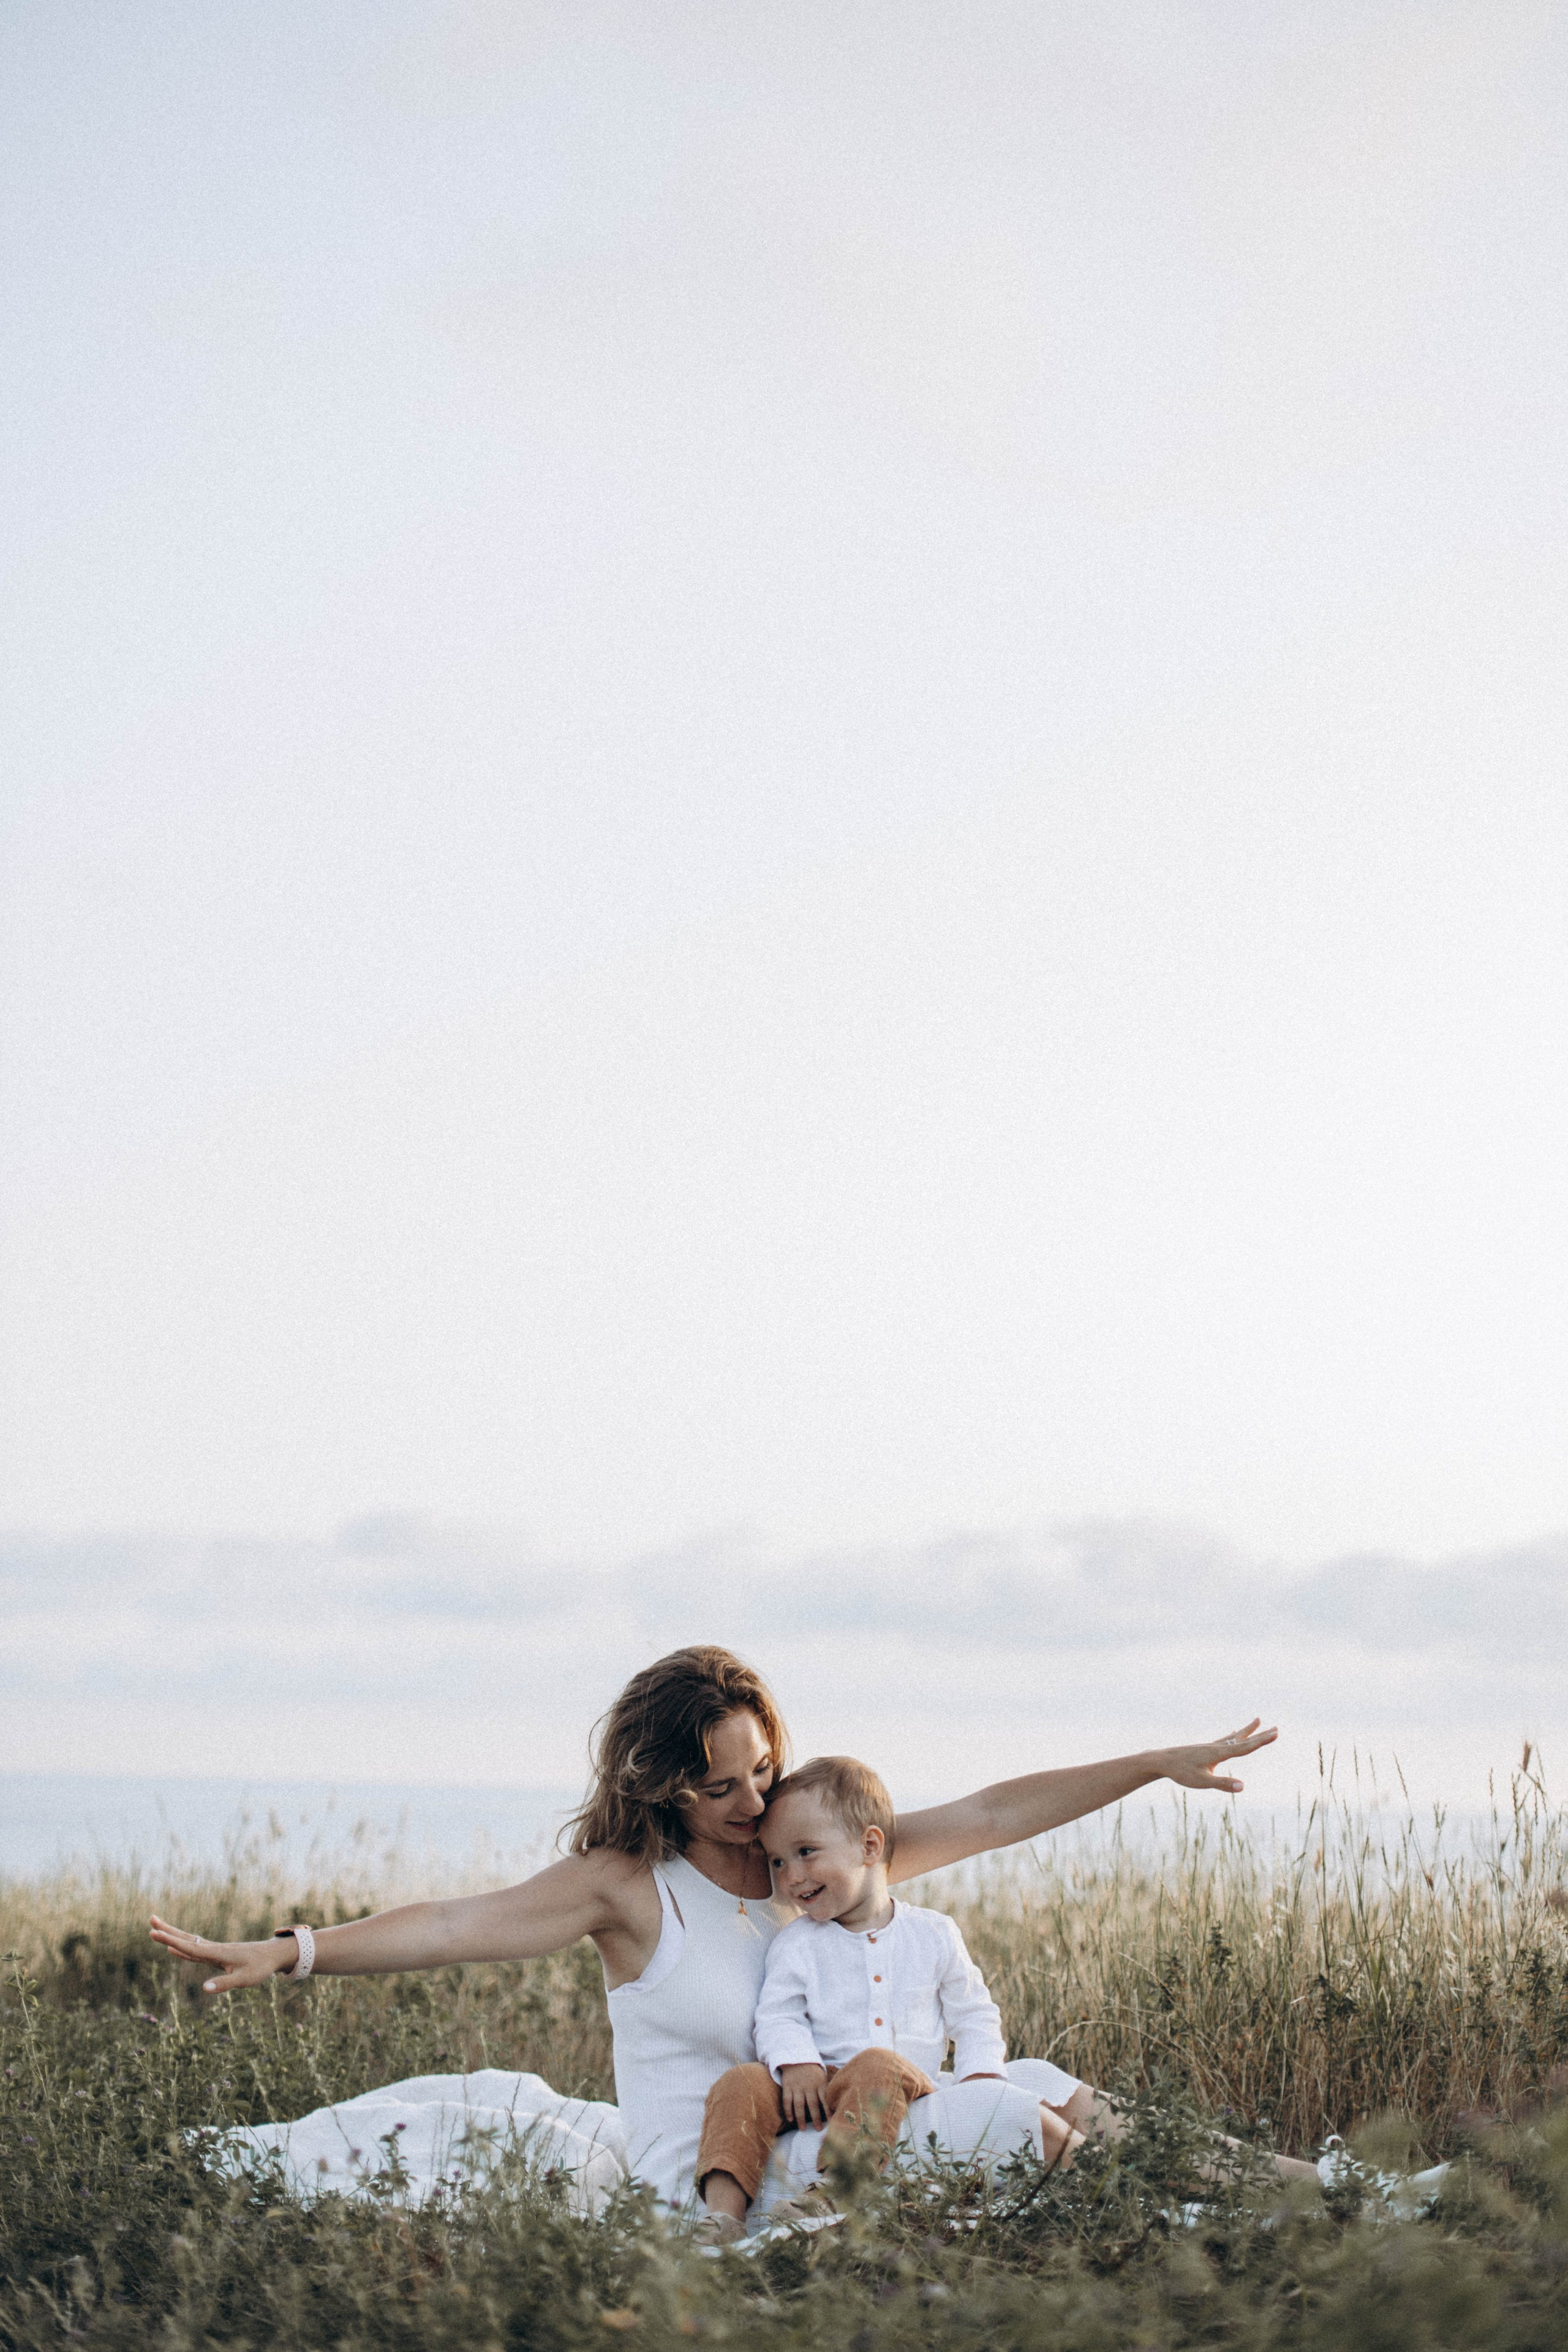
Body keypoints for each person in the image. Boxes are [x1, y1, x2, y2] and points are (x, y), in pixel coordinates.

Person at [149, 1644, 1302, 2216]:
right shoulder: (625, 1887)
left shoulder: (814, 1858)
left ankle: (1319, 2193)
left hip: (834, 2132)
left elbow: (995, 1813)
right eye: (721, 1789)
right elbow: (456, 1923)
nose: (753, 1807)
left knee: (1042, 2074)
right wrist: (292, 1950)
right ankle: (1192, 2225)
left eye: (763, 1770)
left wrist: (1155, 1765)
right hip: (713, 2175)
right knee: (1001, 2111)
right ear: (661, 1789)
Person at [692, 1754, 1087, 2244]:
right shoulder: (796, 1944)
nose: (792, 1876)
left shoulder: (934, 1934)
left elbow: (974, 2014)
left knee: (878, 2062)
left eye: (806, 1852)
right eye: (777, 1861)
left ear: (870, 1846)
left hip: (903, 2085)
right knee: (741, 2082)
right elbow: (778, 2014)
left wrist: (981, 2079)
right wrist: (796, 2064)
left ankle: (838, 2187)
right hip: (819, 2090)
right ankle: (721, 2216)